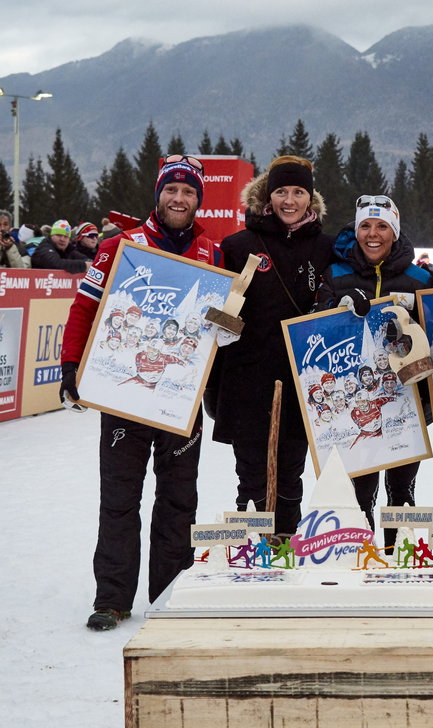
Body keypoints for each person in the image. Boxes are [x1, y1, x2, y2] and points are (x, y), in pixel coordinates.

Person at [60, 154, 217, 631]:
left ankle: (168, 594)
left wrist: (225, 330)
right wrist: (71, 365)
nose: (179, 198)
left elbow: (226, 317)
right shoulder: (121, 245)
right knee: (120, 497)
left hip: (180, 397)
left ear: (197, 201)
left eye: (189, 192)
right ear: (158, 194)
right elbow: (85, 309)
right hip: (125, 396)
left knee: (178, 499)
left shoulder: (212, 252)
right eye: (172, 189)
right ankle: (112, 597)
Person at [205, 155, 333, 538]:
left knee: (290, 477)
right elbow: (212, 308)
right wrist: (217, 331)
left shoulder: (327, 247)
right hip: (247, 382)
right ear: (267, 195)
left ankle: (285, 549)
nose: (289, 200)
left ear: (311, 198)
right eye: (281, 191)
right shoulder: (237, 244)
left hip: (300, 382)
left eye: (298, 192)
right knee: (252, 478)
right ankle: (254, 551)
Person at [314, 194, 433, 552]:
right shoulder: (337, 274)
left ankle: (399, 558)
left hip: (407, 405)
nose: (373, 233)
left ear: (394, 233)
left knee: (401, 490)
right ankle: (360, 560)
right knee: (358, 491)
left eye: (382, 226)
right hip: (357, 407)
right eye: (365, 225)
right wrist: (334, 306)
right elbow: (311, 325)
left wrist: (416, 318)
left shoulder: (420, 278)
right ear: (356, 229)